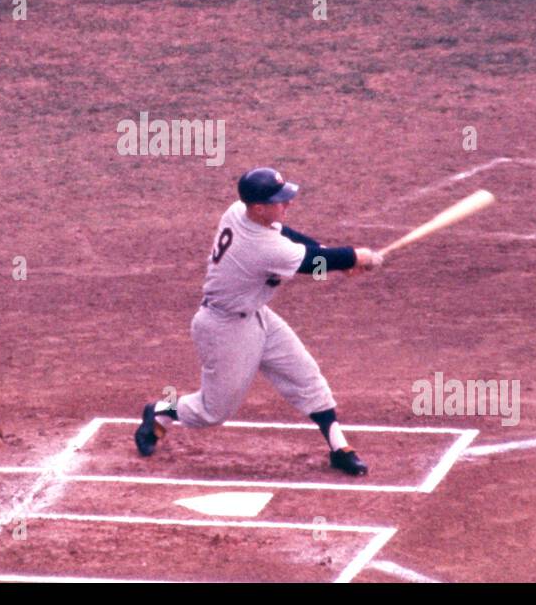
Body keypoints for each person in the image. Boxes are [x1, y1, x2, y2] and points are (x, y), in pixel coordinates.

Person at [135, 168, 383, 475]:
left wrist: (338, 260)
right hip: (224, 328)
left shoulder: (239, 211)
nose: (287, 205)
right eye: (279, 201)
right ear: (259, 207)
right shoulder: (259, 247)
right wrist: (354, 258)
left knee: (305, 376)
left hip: (256, 315)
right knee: (213, 412)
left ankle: (338, 447)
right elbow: (306, 263)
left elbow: (288, 237)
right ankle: (160, 411)